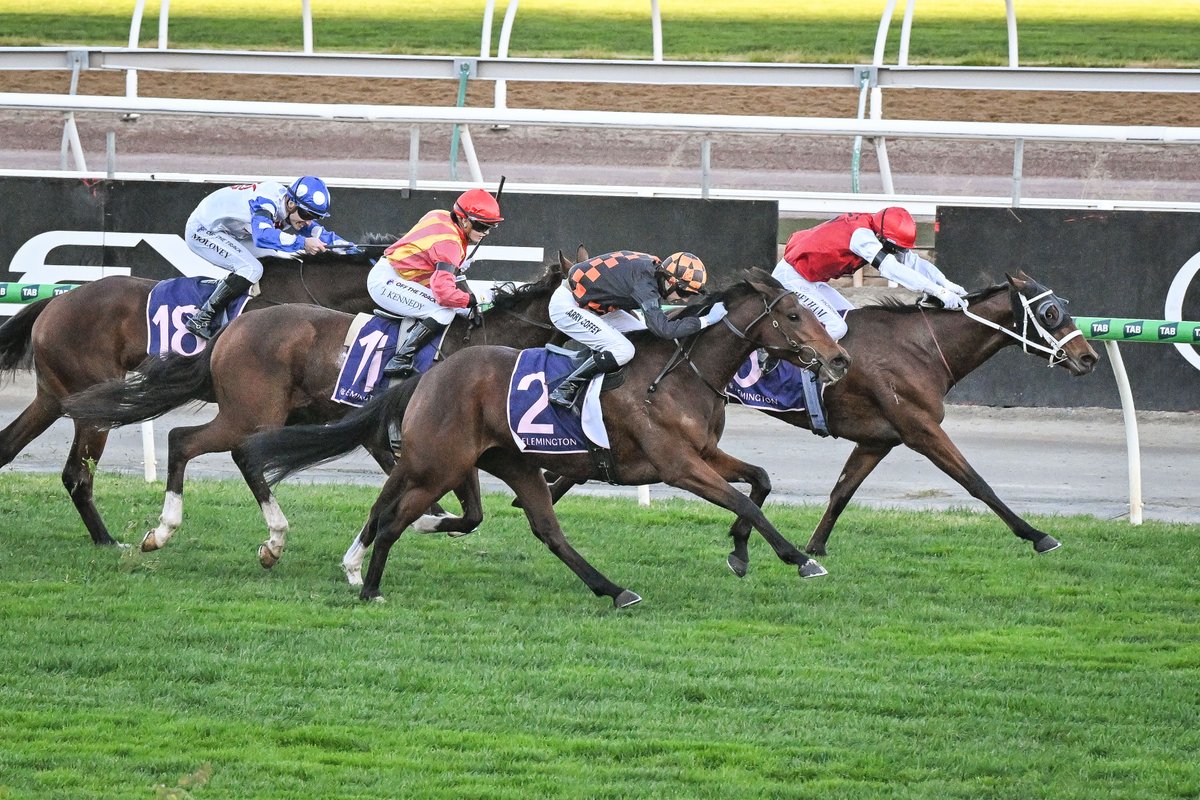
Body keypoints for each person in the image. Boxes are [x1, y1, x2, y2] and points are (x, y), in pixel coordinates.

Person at [546, 250, 727, 408]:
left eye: (691, 295)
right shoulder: (645, 284)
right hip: (568, 305)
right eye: (684, 293)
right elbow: (664, 330)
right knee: (623, 350)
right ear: (670, 281)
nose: (686, 300)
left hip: (595, 305)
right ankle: (567, 387)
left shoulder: (654, 270)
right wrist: (705, 321)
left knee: (646, 339)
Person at [184, 176, 357, 339]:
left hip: (232, 232)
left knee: (276, 262)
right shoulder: (267, 200)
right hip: (204, 230)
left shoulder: (294, 210)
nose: (309, 221)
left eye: (315, 217)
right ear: (290, 203)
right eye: (307, 215)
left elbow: (324, 236)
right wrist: (303, 243)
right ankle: (202, 317)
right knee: (251, 269)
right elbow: (262, 235)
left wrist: (359, 253)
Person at [772, 206, 967, 341]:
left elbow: (914, 263)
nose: (897, 252)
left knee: (854, 320)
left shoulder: (876, 229)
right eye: (894, 248)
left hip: (811, 280)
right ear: (881, 237)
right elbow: (893, 270)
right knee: (838, 328)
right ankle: (793, 371)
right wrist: (938, 292)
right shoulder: (862, 237)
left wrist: (946, 284)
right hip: (790, 280)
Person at [371, 188, 504, 378]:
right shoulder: (450, 245)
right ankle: (400, 359)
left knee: (463, 309)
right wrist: (475, 299)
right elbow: (444, 294)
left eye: (491, 227)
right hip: (387, 282)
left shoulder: (440, 214)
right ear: (464, 220)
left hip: (399, 275)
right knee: (444, 311)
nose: (486, 233)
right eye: (482, 227)